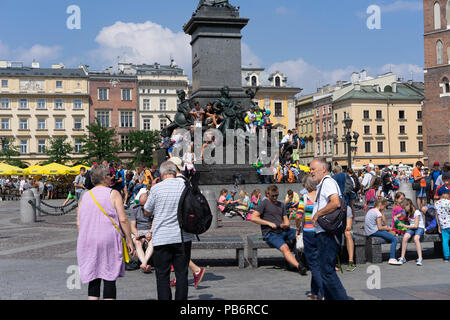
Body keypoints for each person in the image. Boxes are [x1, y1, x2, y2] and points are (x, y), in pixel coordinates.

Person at [76, 164, 134, 300]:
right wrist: (129, 239)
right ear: (104, 178)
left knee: (93, 277)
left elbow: (79, 221)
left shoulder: (85, 195)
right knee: (109, 276)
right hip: (108, 239)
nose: (111, 177)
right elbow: (123, 219)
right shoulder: (113, 193)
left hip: (88, 240)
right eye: (109, 175)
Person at [309, 158, 348, 300]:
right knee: (325, 270)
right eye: (310, 169)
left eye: (313, 169)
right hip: (325, 232)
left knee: (327, 271)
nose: (311, 172)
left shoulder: (328, 182)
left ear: (323, 168)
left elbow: (335, 203)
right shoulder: (323, 183)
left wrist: (318, 214)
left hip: (328, 233)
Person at [251, 185, 307, 275]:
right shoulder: (264, 203)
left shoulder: (281, 205)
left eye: (276, 195)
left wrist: (286, 224)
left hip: (283, 230)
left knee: (302, 235)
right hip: (270, 233)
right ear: (267, 194)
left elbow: (286, 221)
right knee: (285, 248)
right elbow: (253, 217)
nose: (275, 198)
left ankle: (305, 260)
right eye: (273, 196)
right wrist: (268, 223)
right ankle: (299, 266)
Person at [297, 175, 324, 300]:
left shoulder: (305, 198)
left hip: (308, 232)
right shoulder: (321, 197)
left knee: (313, 264)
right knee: (317, 262)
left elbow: (298, 216)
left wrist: (298, 228)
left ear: (306, 186)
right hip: (321, 231)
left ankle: (324, 292)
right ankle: (314, 292)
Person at [364, 198, 402, 265]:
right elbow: (380, 227)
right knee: (394, 239)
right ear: (381, 204)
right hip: (374, 231)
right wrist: (387, 228)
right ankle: (392, 258)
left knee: (389, 235)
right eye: (385, 206)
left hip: (368, 231)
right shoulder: (378, 213)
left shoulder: (371, 211)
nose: (385, 208)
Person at [130, 192, 154, 273]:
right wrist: (136, 233)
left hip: (149, 229)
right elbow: (132, 225)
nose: (143, 207)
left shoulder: (153, 209)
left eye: (144, 204)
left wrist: (150, 232)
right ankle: (145, 264)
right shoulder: (135, 209)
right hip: (138, 230)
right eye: (141, 204)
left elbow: (154, 223)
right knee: (137, 242)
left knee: (152, 242)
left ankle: (144, 263)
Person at [397, 198, 425, 266]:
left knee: (416, 238)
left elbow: (415, 226)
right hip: (411, 228)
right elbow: (400, 216)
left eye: (404, 208)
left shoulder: (417, 212)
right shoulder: (408, 212)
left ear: (408, 205)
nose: (403, 209)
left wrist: (404, 226)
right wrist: (397, 218)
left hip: (419, 227)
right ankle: (402, 257)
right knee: (405, 237)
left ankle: (420, 258)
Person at [435, 187, 450, 262]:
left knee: (445, 241)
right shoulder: (448, 202)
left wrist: (439, 226)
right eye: (448, 193)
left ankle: (446, 257)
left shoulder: (436, 203)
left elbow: (437, 216)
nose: (449, 195)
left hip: (443, 226)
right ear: (443, 194)